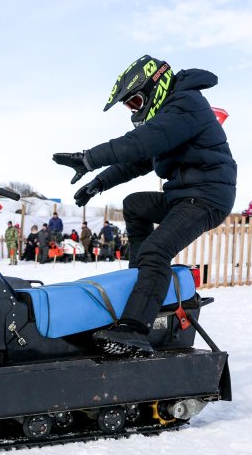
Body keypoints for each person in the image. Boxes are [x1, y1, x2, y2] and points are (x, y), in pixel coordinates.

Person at [52, 54, 236, 354]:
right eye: (130, 107)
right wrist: (99, 182)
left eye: (135, 102)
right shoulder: (171, 114)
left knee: (156, 250)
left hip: (207, 197)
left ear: (156, 86)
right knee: (135, 205)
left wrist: (89, 158)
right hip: (184, 195)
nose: (135, 111)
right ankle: (141, 279)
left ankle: (135, 329)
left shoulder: (186, 105)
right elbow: (139, 160)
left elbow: (141, 142)